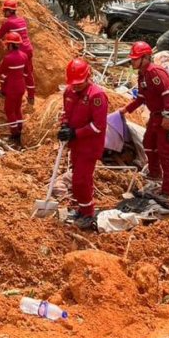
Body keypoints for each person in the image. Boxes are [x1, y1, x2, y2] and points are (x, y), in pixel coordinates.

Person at [120, 41, 169, 207]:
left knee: (166, 153)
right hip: (157, 116)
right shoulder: (142, 75)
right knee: (148, 143)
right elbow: (141, 97)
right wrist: (126, 109)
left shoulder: (155, 72)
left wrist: (168, 116)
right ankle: (156, 174)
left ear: (145, 58)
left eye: (135, 59)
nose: (132, 62)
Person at [56, 58, 108, 230]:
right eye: (74, 83)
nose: (76, 86)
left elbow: (98, 126)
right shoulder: (69, 92)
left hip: (89, 145)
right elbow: (66, 112)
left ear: (88, 77)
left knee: (81, 179)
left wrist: (75, 133)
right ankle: (81, 208)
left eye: (79, 83)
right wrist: (64, 126)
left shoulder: (97, 96)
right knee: (78, 178)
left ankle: (88, 213)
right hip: (76, 144)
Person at [0, 32, 35, 148]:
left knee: (9, 111)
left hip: (12, 88)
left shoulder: (8, 58)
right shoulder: (24, 56)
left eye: (7, 44)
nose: (6, 46)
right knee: (17, 109)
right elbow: (27, 72)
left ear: (11, 45)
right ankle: (20, 130)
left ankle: (15, 135)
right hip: (21, 87)